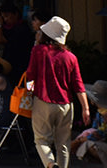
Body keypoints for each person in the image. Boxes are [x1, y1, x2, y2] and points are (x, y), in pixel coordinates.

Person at [29, 16, 90, 168]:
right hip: (66, 104)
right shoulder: (71, 57)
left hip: (43, 100)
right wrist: (86, 108)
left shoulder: (38, 51)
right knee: (63, 144)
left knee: (41, 140)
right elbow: (78, 85)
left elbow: (30, 76)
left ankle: (50, 164)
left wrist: (29, 93)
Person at [72, 80, 107, 168]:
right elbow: (96, 130)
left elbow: (101, 135)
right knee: (86, 145)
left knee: (92, 146)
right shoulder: (100, 113)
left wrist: (79, 141)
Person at [0, 2, 35, 83]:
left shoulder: (21, 29)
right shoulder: (9, 29)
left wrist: (0, 25)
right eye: (3, 17)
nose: (5, 19)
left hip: (20, 67)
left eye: (7, 16)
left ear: (15, 14)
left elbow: (0, 40)